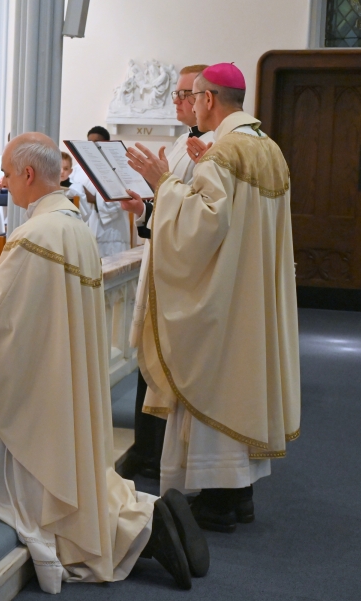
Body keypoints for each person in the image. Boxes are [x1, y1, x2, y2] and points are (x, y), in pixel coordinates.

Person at [0, 132, 208, 593]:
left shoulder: (35, 235)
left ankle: (143, 533)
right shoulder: (73, 226)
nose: (4, 182)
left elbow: (2, 325)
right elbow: (32, 304)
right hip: (63, 379)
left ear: (28, 174)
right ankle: (149, 513)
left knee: (19, 496)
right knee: (76, 478)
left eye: (8, 173)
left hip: (39, 397)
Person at [122, 63, 301, 533]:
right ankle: (238, 497)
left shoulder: (225, 152)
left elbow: (202, 227)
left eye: (194, 96)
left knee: (216, 380)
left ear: (209, 99)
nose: (192, 104)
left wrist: (164, 181)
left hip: (224, 296)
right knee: (243, 382)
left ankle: (220, 502)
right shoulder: (268, 148)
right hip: (251, 291)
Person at [117, 64, 216, 482]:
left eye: (183, 94)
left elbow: (200, 217)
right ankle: (146, 448)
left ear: (205, 98)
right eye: (174, 94)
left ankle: (156, 454)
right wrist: (143, 209)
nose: (176, 101)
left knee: (167, 364)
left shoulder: (214, 150)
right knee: (147, 359)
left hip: (183, 277)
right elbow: (171, 206)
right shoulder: (181, 144)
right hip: (161, 263)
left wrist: (157, 198)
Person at [72, 126, 131, 258]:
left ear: (106, 144)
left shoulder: (117, 169)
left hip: (112, 234)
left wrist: (92, 198)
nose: (92, 146)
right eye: (89, 142)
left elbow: (117, 202)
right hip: (86, 232)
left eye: (96, 142)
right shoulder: (78, 169)